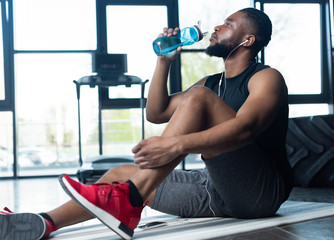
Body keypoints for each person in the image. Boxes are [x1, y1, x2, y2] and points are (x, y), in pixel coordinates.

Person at [0, 7, 294, 240]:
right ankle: (44, 222)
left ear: (248, 40)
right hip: (215, 191)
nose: (216, 27)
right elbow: (157, 112)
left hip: (259, 193)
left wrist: (175, 145)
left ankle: (130, 197)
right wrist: (163, 62)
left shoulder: (266, 77)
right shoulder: (212, 83)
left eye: (228, 24)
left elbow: (245, 129)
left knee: (198, 97)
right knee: (118, 173)